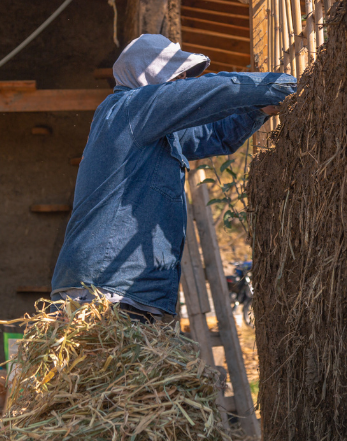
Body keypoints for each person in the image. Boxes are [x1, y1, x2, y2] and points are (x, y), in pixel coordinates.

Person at [51, 34, 296, 322]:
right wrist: (279, 86)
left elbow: (217, 135)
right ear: (150, 76)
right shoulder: (130, 109)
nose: (180, 84)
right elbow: (211, 91)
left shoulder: (153, 130)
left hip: (126, 291)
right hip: (106, 290)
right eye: (175, 77)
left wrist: (259, 109)